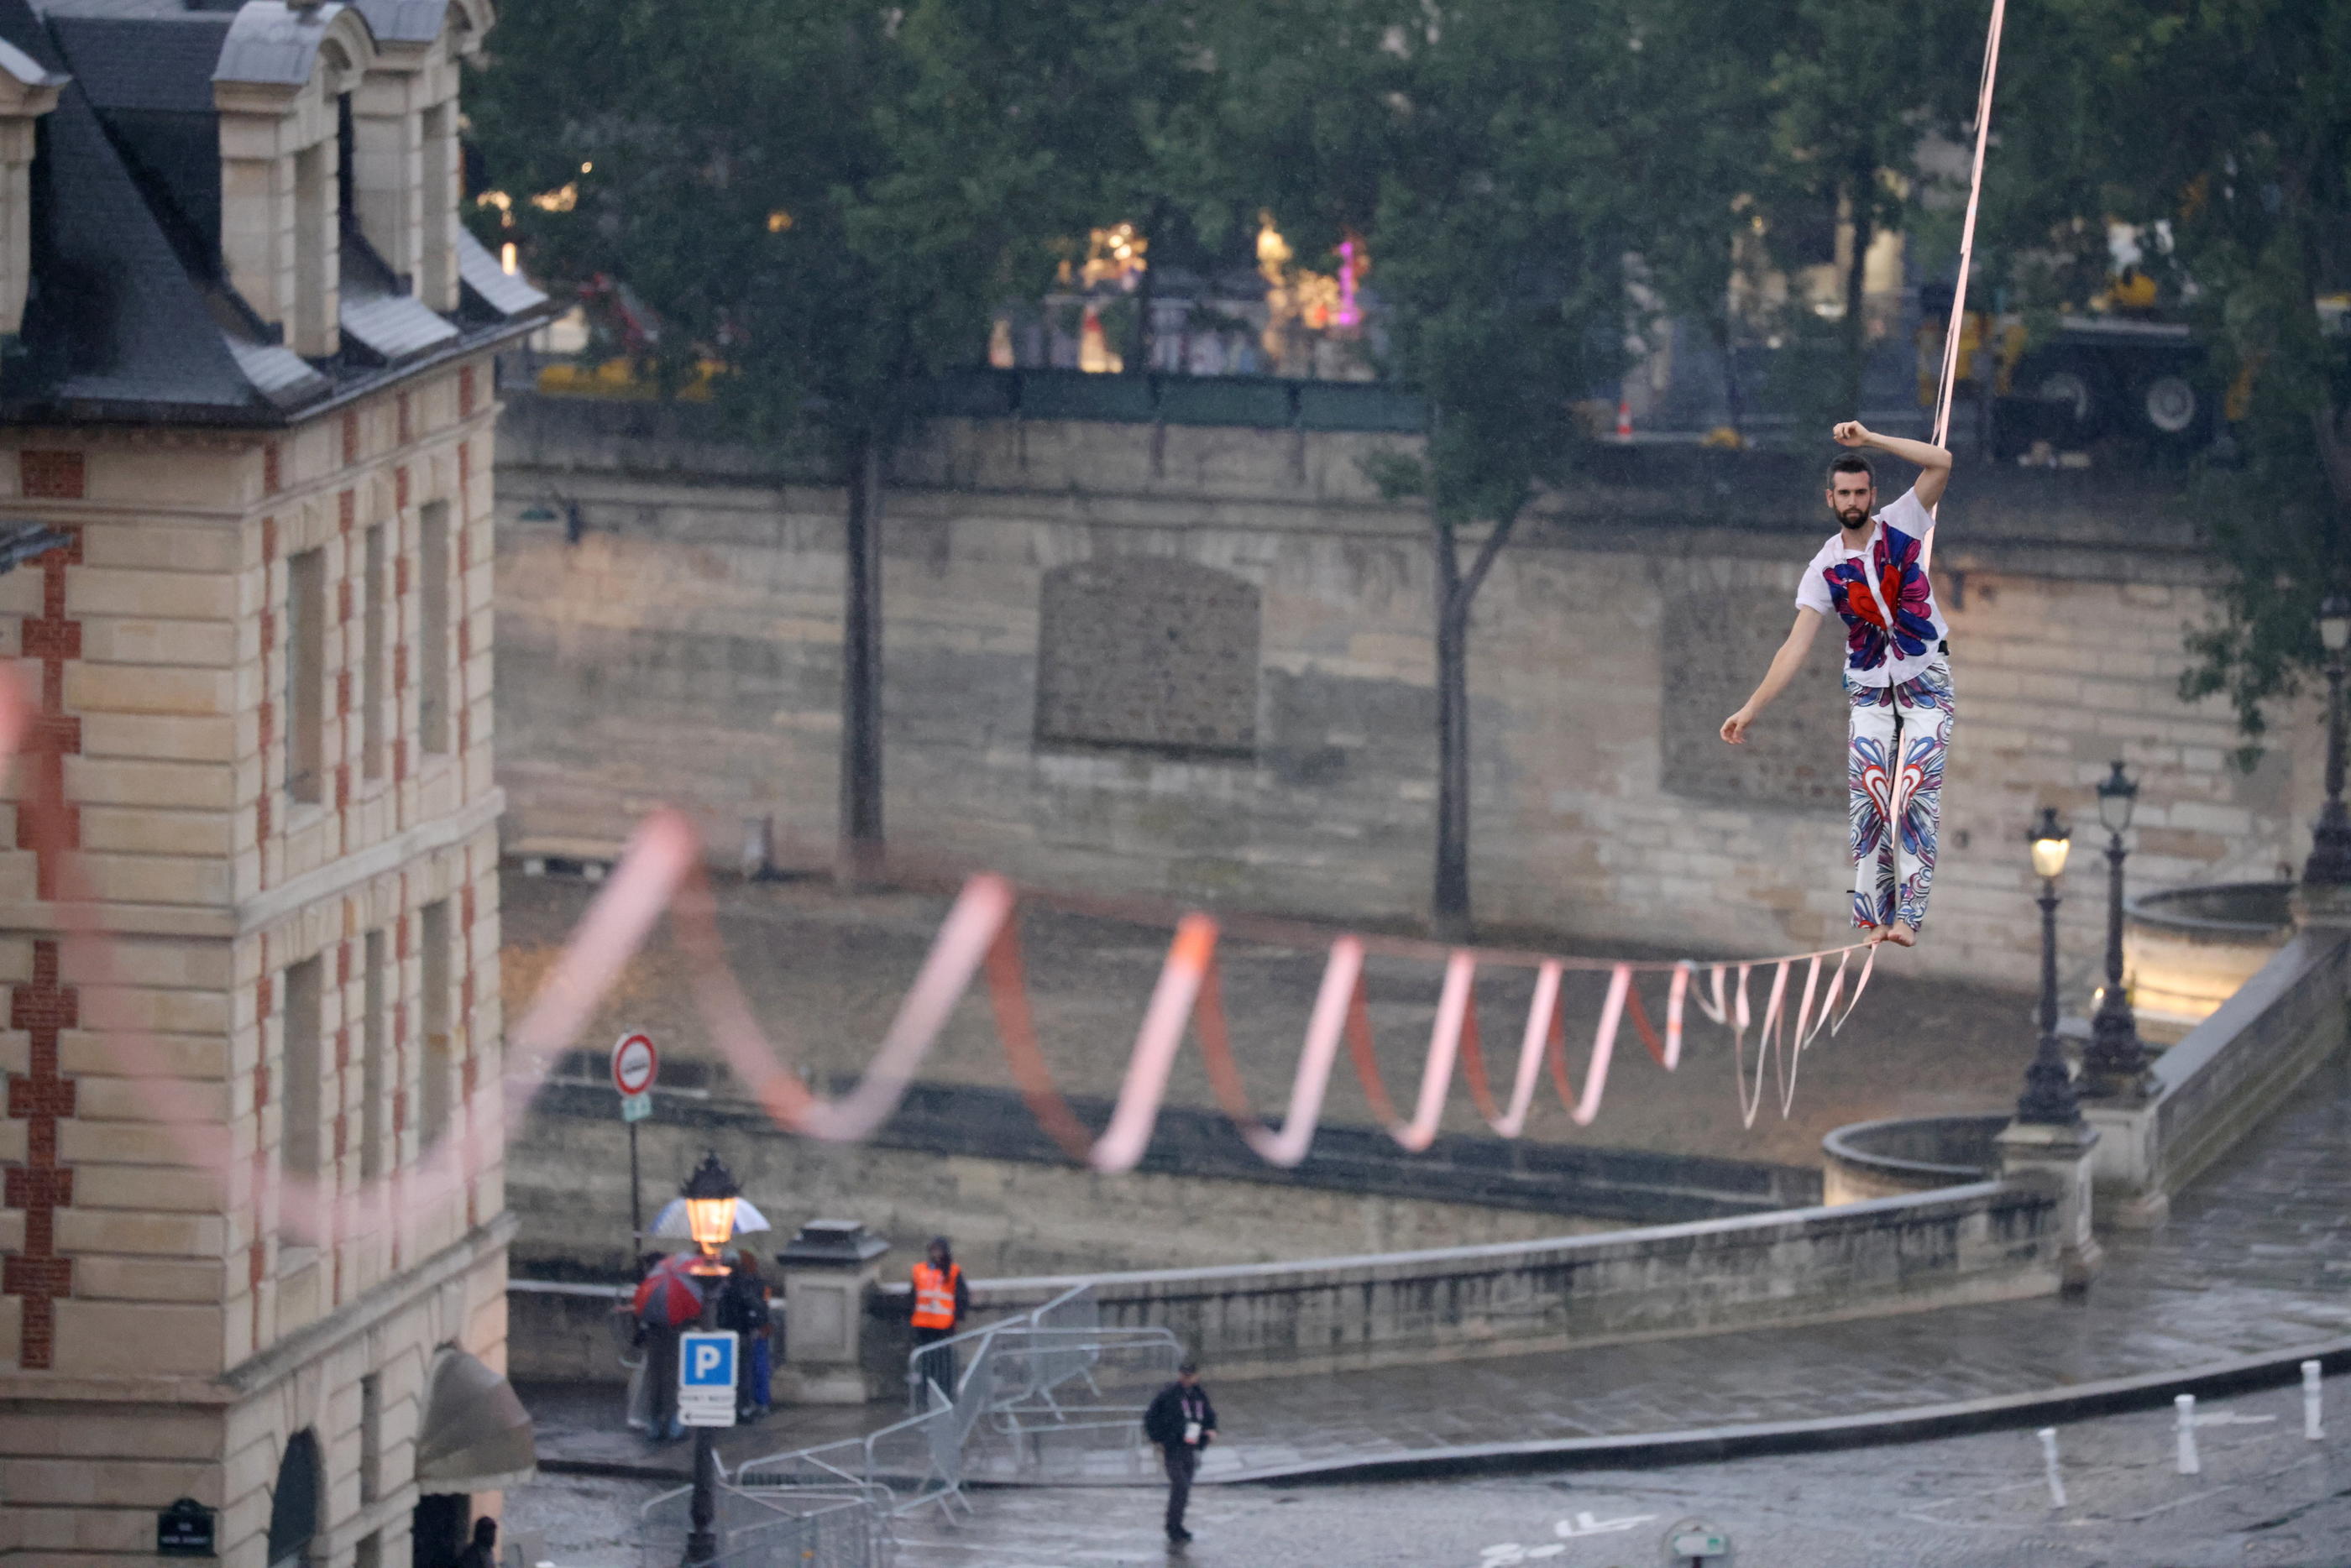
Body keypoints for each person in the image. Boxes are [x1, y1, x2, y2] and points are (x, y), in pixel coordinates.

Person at [1721, 421, 1956, 949]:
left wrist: (1871, 440)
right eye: (1843, 494)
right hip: (1871, 688)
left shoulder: (1903, 524)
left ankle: (1908, 918)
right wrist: (1751, 707)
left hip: (1925, 681)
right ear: (1830, 499)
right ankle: (1874, 914)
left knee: (1916, 790)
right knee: (1870, 793)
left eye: (1860, 492)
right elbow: (1795, 645)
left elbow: (1941, 461)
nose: (1852, 501)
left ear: (1873, 495)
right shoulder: (1824, 568)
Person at [1143, 1361, 1217, 1545]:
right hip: (1173, 1447)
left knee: (1184, 1490)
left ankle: (1176, 1524)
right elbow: (1151, 1417)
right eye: (1183, 1375)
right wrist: (1157, 1439)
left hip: (1190, 1446)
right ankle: (1172, 1526)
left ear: (1196, 1376)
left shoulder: (1199, 1395)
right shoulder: (1169, 1394)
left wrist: (1210, 1430)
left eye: (1190, 1375)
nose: (1186, 1379)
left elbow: (1209, 1416)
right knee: (1180, 1486)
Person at [908, 1236, 969, 1401]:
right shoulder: (919, 1270)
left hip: (944, 1326)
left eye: (939, 1250)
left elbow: (962, 1297)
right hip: (923, 1325)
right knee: (926, 1366)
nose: (936, 1254)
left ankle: (944, 1396)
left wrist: (956, 1318)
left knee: (943, 1365)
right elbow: (914, 1296)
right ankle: (925, 1397)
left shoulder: (953, 1271)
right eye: (933, 1250)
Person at [717, 1252, 774, 1423]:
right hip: (745, 1332)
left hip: (727, 1333)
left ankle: (733, 1406)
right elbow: (762, 1305)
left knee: (733, 1372)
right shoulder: (753, 1283)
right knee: (747, 1372)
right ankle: (746, 1406)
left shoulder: (723, 1285)